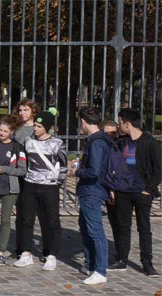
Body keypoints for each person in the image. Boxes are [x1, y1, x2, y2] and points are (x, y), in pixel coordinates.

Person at [106, 109, 161, 278]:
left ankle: (147, 263)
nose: (118, 125)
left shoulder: (150, 143)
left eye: (120, 122)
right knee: (123, 226)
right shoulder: (121, 142)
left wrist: (147, 189)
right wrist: (113, 188)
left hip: (142, 191)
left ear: (127, 124)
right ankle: (121, 258)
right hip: (123, 191)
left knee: (144, 228)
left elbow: (158, 169)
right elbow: (113, 166)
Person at [14, 112, 66, 271]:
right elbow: (25, 161)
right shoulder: (28, 141)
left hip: (49, 186)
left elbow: (63, 165)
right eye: (35, 125)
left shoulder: (57, 143)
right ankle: (26, 252)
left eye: (39, 126)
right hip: (30, 185)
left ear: (47, 128)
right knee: (26, 220)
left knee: (51, 221)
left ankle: (51, 254)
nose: (35, 129)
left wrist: (58, 182)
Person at [69, 107, 111, 284]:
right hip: (90, 190)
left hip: (93, 190)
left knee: (95, 231)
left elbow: (94, 170)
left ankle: (100, 270)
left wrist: (77, 171)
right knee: (86, 227)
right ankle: (91, 264)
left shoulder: (97, 142)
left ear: (84, 122)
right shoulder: (99, 139)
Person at [0, 118, 27, 266]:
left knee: (5, 220)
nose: (1, 133)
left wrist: (4, 169)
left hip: (10, 187)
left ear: (11, 132)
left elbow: (22, 170)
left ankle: (1, 251)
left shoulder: (17, 148)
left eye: (5, 131)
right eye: (0, 130)